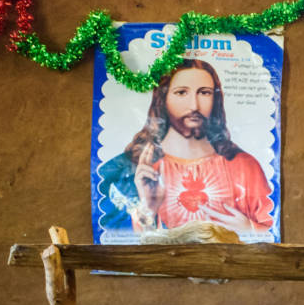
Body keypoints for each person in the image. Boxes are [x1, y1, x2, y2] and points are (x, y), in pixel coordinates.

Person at [96, 59, 275, 237]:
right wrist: (147, 208)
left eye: (204, 93)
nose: (194, 106)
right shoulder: (129, 168)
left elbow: (272, 234)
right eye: (181, 93)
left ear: (216, 99)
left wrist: (249, 230)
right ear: (162, 98)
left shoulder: (244, 167)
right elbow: (114, 245)